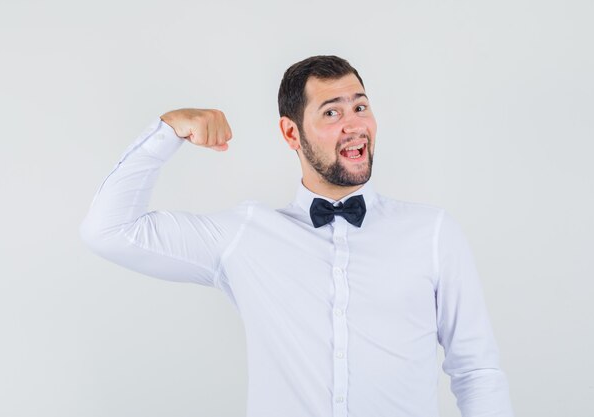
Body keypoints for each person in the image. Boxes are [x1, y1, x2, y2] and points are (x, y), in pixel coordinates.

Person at [80, 55, 514, 417]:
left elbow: (476, 371)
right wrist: (167, 131)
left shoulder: (433, 233)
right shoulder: (246, 238)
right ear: (292, 133)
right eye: (331, 112)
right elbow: (108, 230)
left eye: (360, 107)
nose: (354, 124)